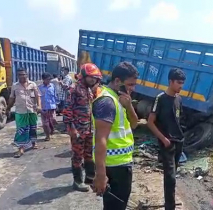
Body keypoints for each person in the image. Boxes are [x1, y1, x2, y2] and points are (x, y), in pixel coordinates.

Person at [92, 62, 139, 210]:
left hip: (122, 164)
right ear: (117, 81)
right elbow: (101, 139)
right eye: (130, 84)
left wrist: (129, 105)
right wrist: (101, 175)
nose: (132, 88)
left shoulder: (119, 99)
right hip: (114, 167)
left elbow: (134, 124)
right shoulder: (107, 102)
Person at [147, 68, 186, 210]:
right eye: (179, 83)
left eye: (182, 83)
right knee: (170, 178)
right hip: (167, 143)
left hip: (178, 142)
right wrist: (163, 139)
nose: (181, 86)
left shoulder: (179, 99)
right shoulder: (161, 98)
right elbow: (150, 122)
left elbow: (178, 120)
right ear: (170, 82)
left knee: (173, 175)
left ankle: (170, 205)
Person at [63, 63, 102, 192]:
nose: (94, 80)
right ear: (84, 76)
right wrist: (72, 129)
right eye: (92, 77)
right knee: (77, 156)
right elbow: (67, 110)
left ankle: (90, 178)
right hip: (78, 130)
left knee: (89, 154)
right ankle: (77, 181)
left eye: (95, 78)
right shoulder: (73, 89)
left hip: (89, 129)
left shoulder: (88, 89)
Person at [6, 68, 41, 158]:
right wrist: (8, 108)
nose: (22, 76)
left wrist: (39, 106)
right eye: (20, 75)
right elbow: (12, 98)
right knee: (21, 130)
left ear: (27, 74)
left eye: (23, 74)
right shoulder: (15, 86)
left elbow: (38, 96)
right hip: (20, 112)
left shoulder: (33, 84)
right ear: (17, 76)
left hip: (31, 111)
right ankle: (21, 148)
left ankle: (33, 142)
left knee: (33, 127)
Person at [38, 73, 57, 141]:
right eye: (47, 79)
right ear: (43, 79)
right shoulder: (39, 87)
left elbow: (55, 96)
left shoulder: (52, 86)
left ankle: (52, 129)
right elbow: (38, 98)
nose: (49, 81)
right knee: (45, 123)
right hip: (44, 108)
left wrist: (56, 105)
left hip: (52, 107)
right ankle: (47, 135)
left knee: (53, 120)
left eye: (50, 79)